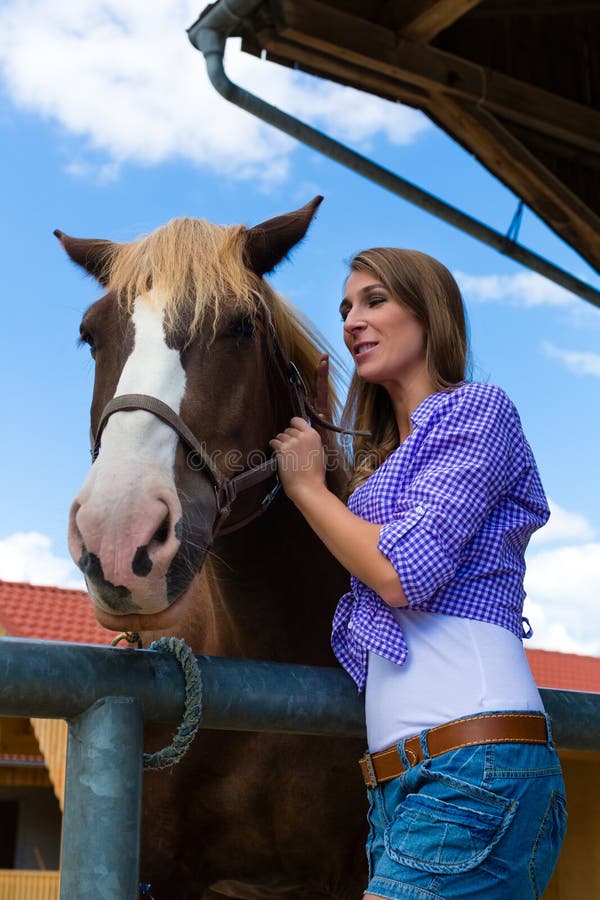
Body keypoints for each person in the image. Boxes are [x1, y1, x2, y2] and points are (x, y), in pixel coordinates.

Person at [269, 248, 567, 900]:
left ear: (430, 314)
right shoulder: (392, 463)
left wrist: (309, 489)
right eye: (345, 308)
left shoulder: (476, 412)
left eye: (374, 301)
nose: (352, 320)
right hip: (408, 781)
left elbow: (402, 573)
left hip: (472, 768)